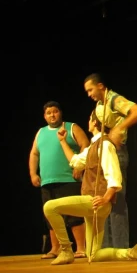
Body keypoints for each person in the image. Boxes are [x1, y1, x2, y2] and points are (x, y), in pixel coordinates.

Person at [43, 110, 137, 265]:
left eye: (90, 118)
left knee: (50, 207)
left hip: (95, 201)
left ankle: (66, 249)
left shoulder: (105, 145)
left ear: (95, 122)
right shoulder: (94, 146)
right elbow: (76, 162)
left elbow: (114, 176)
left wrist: (106, 197)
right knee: (93, 254)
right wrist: (63, 141)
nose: (88, 121)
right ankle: (131, 252)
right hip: (97, 203)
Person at [83, 73, 137, 249]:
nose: (89, 94)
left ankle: (119, 248)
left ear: (101, 86)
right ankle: (103, 249)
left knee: (116, 200)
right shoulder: (99, 105)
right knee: (102, 201)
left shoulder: (113, 99)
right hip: (104, 153)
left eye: (90, 89)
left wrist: (119, 128)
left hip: (116, 153)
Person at [29, 101, 89, 259]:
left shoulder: (71, 127)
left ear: (60, 112)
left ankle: (81, 248)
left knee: (74, 215)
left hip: (69, 179)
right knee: (50, 216)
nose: (52, 115)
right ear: (44, 116)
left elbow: (85, 145)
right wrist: (33, 174)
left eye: (55, 111)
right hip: (47, 181)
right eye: (49, 113)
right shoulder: (41, 132)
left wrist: (79, 166)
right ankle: (56, 248)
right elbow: (34, 154)